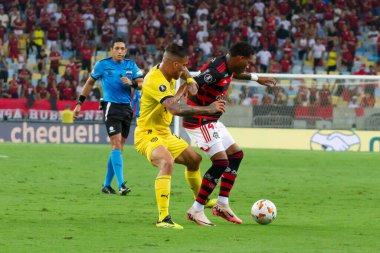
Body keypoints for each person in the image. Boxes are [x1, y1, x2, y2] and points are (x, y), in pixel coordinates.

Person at [134, 43, 226, 229]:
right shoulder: (155, 80)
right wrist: (208, 109)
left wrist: (190, 80)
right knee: (167, 162)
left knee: (194, 160)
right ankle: (163, 218)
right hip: (147, 134)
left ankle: (202, 200)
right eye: (183, 65)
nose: (185, 68)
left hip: (164, 133)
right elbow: (175, 108)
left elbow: (188, 82)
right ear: (175, 64)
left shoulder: (169, 71)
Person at [183, 42, 276, 226]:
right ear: (240, 58)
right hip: (199, 121)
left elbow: (235, 73)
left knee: (236, 155)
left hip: (211, 121)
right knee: (220, 162)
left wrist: (257, 78)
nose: (248, 66)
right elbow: (192, 85)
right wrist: (202, 106)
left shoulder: (228, 66)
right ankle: (196, 209)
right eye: (248, 63)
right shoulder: (216, 71)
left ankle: (222, 204)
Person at [73, 38, 144, 195]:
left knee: (119, 147)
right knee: (116, 145)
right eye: (117, 48)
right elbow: (89, 83)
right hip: (111, 107)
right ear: (111, 50)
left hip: (127, 108)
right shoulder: (102, 65)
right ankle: (121, 185)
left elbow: (142, 82)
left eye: (122, 49)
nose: (120, 51)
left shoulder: (131, 65)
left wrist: (131, 84)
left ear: (125, 51)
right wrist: (79, 103)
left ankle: (106, 185)